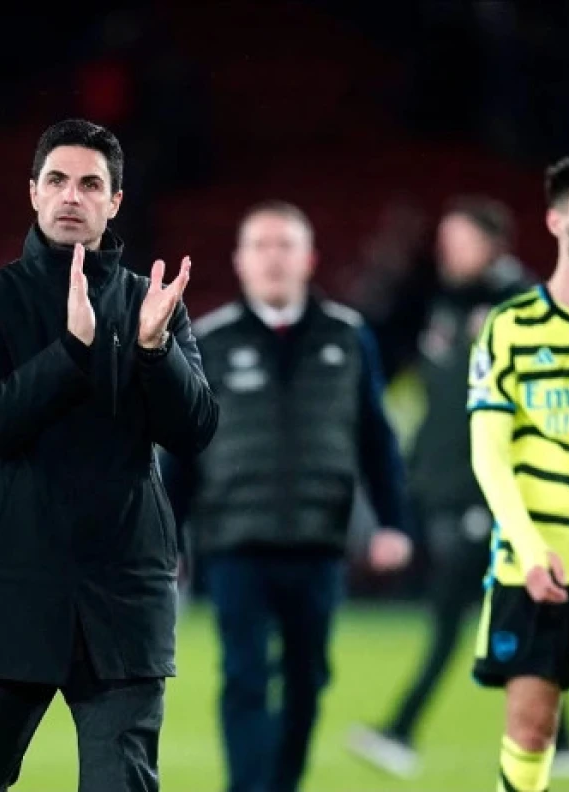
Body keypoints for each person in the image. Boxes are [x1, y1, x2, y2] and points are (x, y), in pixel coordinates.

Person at [0, 118, 219, 791]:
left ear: (114, 202)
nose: (71, 195)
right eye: (57, 180)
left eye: (90, 184)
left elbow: (196, 430)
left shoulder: (154, 305)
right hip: (8, 590)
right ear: (33, 191)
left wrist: (155, 351)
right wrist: (71, 353)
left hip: (123, 595)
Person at [162, 201, 414, 792]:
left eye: (285, 245)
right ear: (240, 262)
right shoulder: (209, 339)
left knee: (308, 680)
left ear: (309, 260)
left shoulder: (348, 335)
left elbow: (376, 438)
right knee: (244, 676)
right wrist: (167, 538)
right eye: (261, 246)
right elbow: (181, 448)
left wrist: (393, 522)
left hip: (318, 540)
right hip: (234, 541)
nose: (273, 258)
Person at [348, 197, 569, 778]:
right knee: (508, 619)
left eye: (458, 242)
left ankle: (400, 731)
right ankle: (565, 743)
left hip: (489, 494)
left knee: (456, 616)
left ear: (492, 244)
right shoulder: (449, 304)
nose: (447, 253)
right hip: (447, 487)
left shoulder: (526, 308)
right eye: (445, 242)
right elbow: (437, 399)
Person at [465, 154, 569, 792]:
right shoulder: (509, 329)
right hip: (536, 560)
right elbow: (489, 453)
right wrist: (529, 548)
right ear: (557, 222)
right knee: (532, 732)